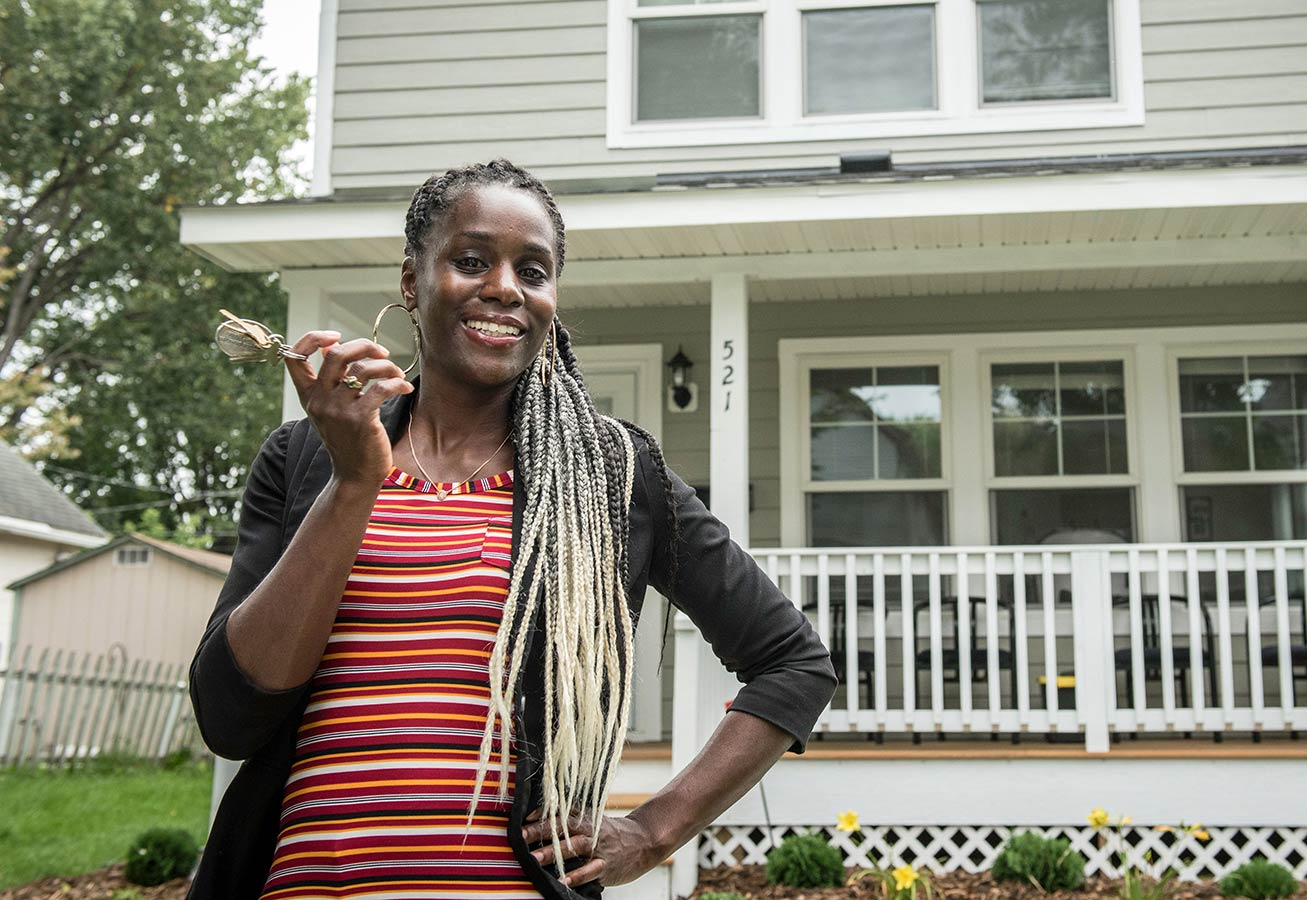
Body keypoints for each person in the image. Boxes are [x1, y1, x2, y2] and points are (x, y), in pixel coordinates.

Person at [187, 159, 837, 900]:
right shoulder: (306, 460)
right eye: (471, 261)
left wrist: (654, 832)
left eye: (533, 270)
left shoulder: (610, 474)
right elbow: (231, 716)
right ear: (411, 282)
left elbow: (793, 663)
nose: (504, 287)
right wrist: (353, 482)